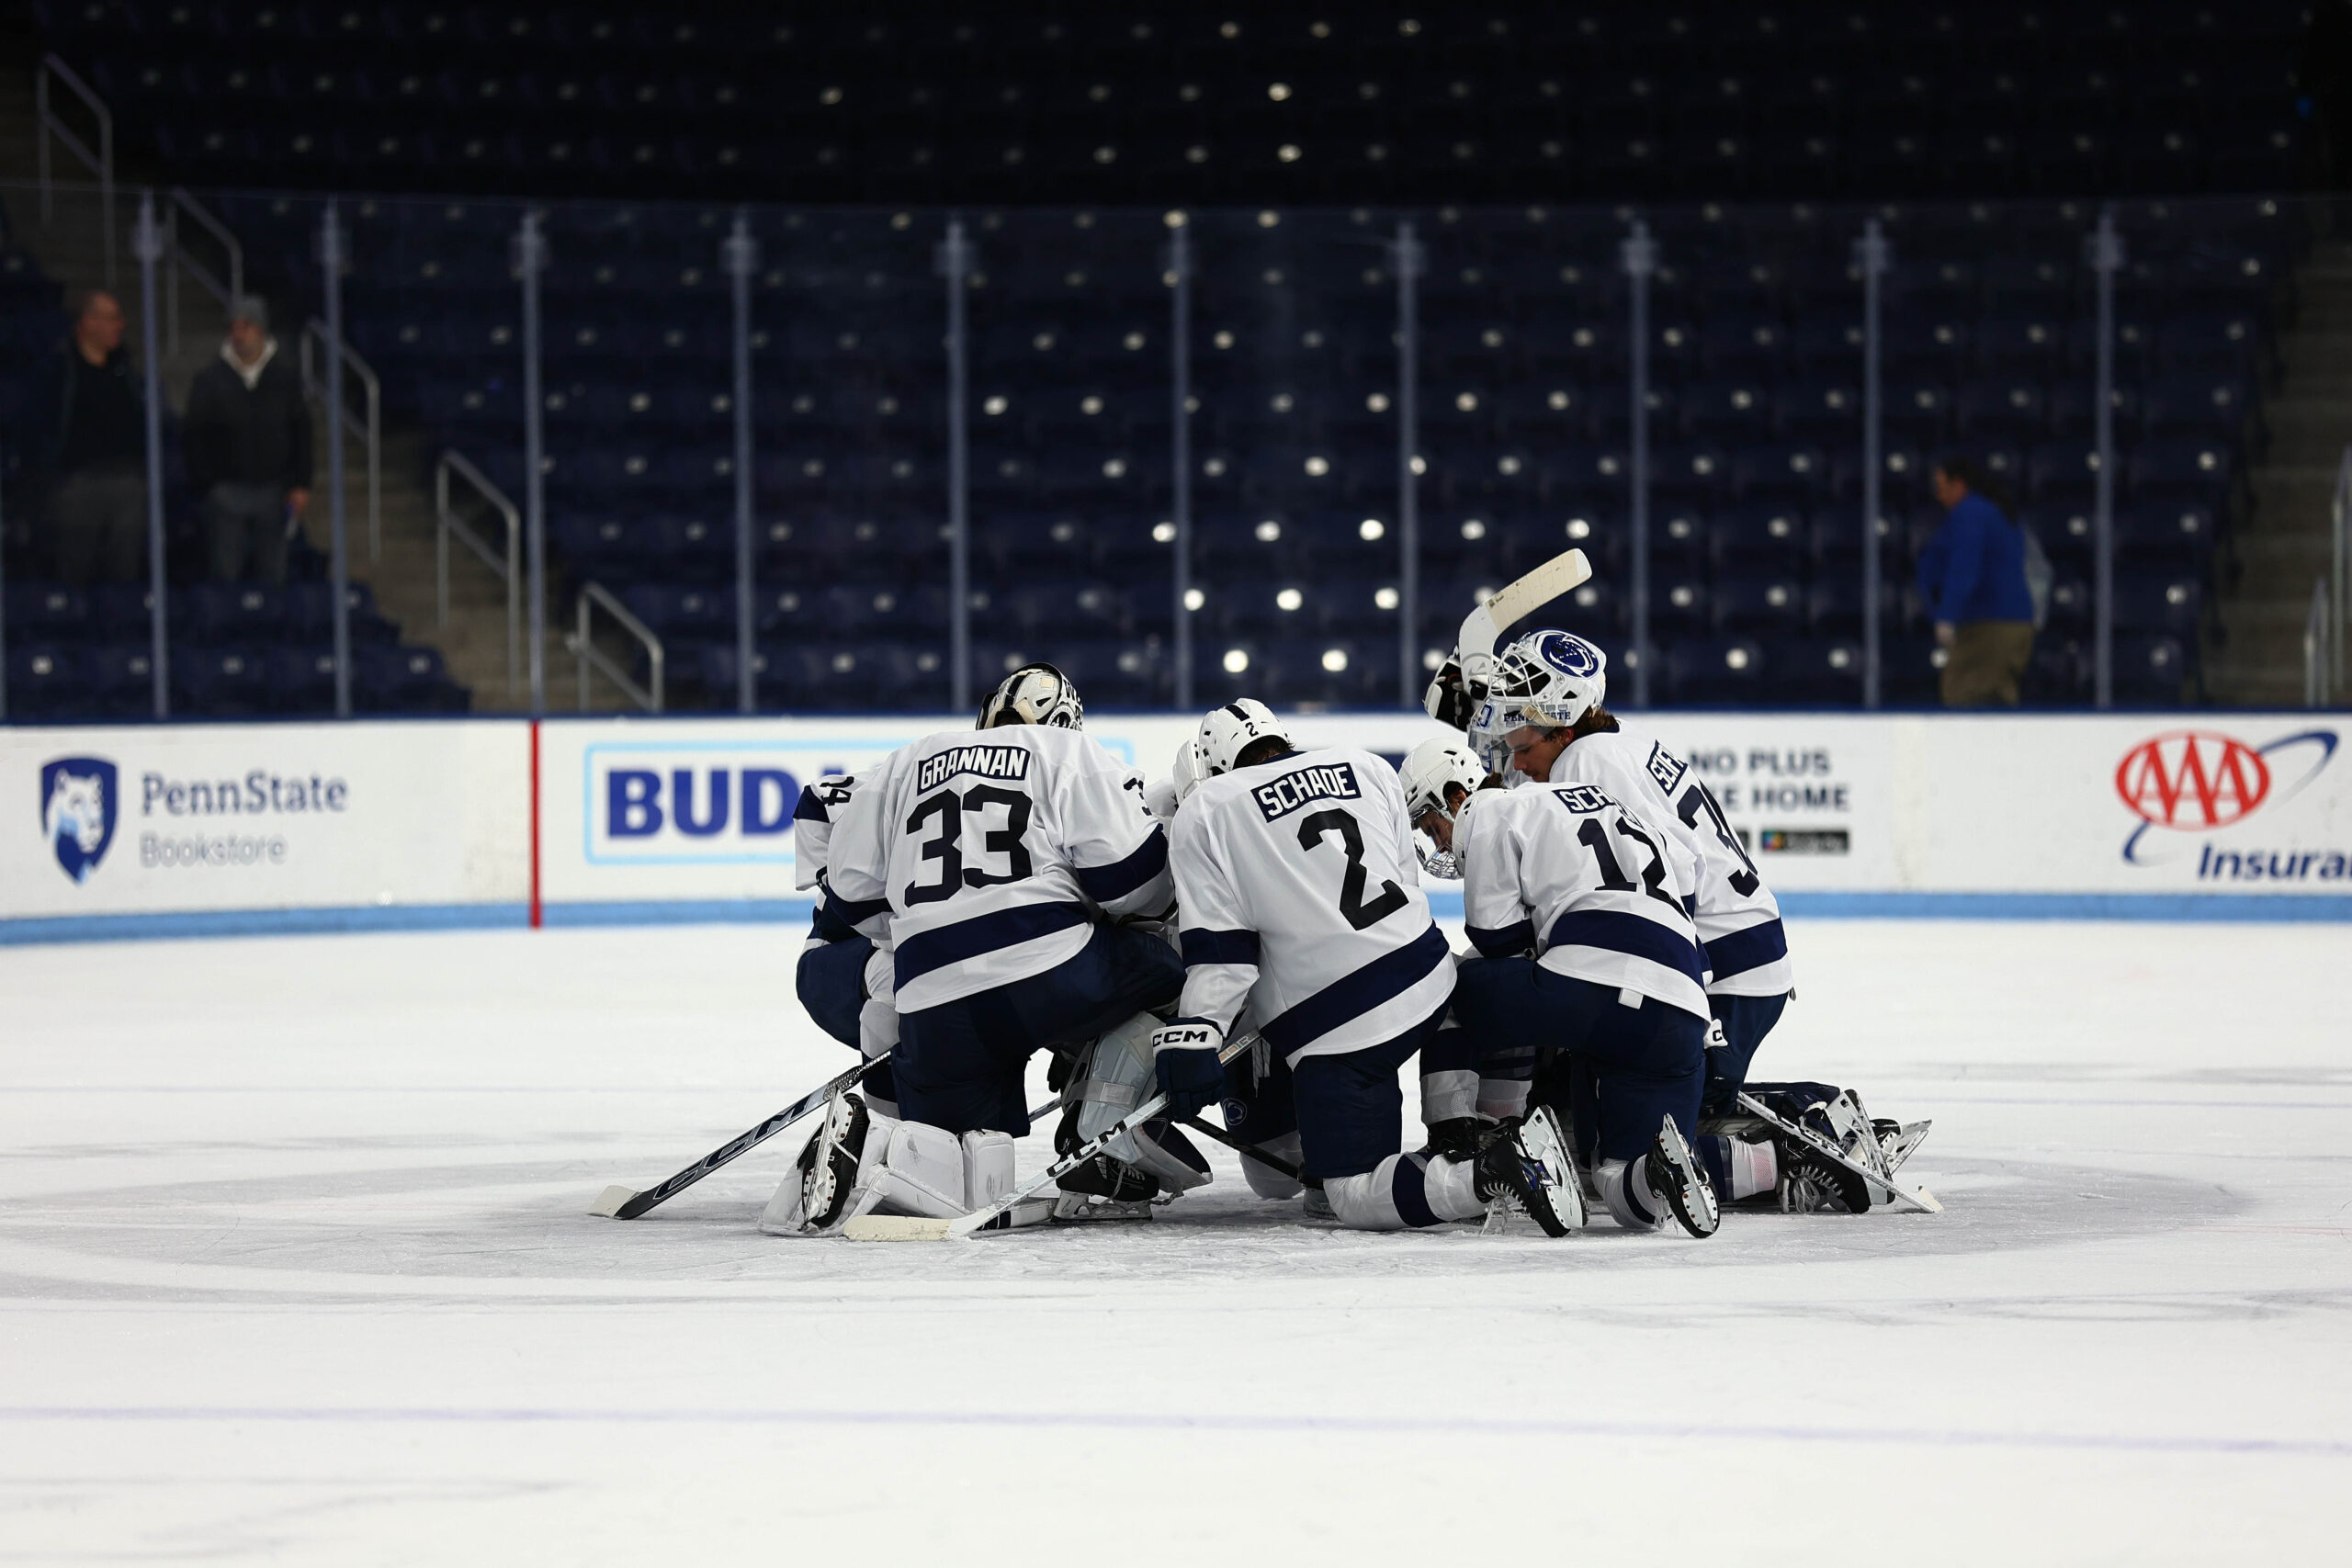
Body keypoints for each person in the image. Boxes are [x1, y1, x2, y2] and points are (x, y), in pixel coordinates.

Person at [763, 663, 1187, 1234]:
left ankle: (881, 1141)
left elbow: (851, 891)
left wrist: (922, 932)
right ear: (1066, 720)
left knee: (971, 1160)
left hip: (934, 997)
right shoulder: (1067, 752)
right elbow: (1133, 881)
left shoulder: (905, 761)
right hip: (1054, 976)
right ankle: (1099, 1109)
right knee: (1185, 963)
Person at [1153, 699, 1578, 1235]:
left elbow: (1225, 957)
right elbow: (1404, 882)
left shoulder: (1206, 808)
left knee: (1346, 1194)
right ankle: (1470, 1132)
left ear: (1214, 766)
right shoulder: (1368, 766)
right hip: (1427, 973)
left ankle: (1486, 1171)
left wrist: (1198, 1030)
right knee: (1453, 994)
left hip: (1340, 1030)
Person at [1439, 638, 1723, 1239]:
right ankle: (1661, 1167)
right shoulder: (1630, 807)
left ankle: (1477, 1145)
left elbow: (1498, 942)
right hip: (1681, 1002)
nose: (1516, 763)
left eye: (1521, 747)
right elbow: (1688, 865)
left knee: (1448, 986)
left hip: (1592, 984)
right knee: (1627, 1193)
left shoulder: (1498, 810)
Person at [787, 771, 899, 1117]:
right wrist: (835, 878)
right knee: (900, 973)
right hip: (836, 961)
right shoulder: (920, 776)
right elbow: (819, 798)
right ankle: (889, 1132)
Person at [182, 296, 311, 585]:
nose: (239, 334)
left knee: (273, 574)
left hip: (274, 491)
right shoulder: (209, 380)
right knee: (225, 572)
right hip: (226, 492)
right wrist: (208, 484)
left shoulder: (285, 379)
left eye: (246, 326)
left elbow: (302, 432)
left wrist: (301, 482)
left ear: (261, 330)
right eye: (234, 327)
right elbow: (194, 436)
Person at [35, 289, 147, 587]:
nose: (120, 325)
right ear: (88, 322)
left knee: (125, 570)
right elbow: (41, 429)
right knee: (75, 568)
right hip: (77, 482)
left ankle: (123, 624)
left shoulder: (125, 370)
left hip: (127, 481)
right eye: (112, 318)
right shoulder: (59, 370)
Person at [1918, 456, 2035, 707]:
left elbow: (1965, 567)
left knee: (1963, 696)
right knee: (1995, 699)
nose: (1939, 496)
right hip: (2008, 623)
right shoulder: (1995, 512)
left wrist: (1948, 616)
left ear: (1959, 484)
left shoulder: (1971, 513)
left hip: (1990, 624)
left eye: (1942, 487)